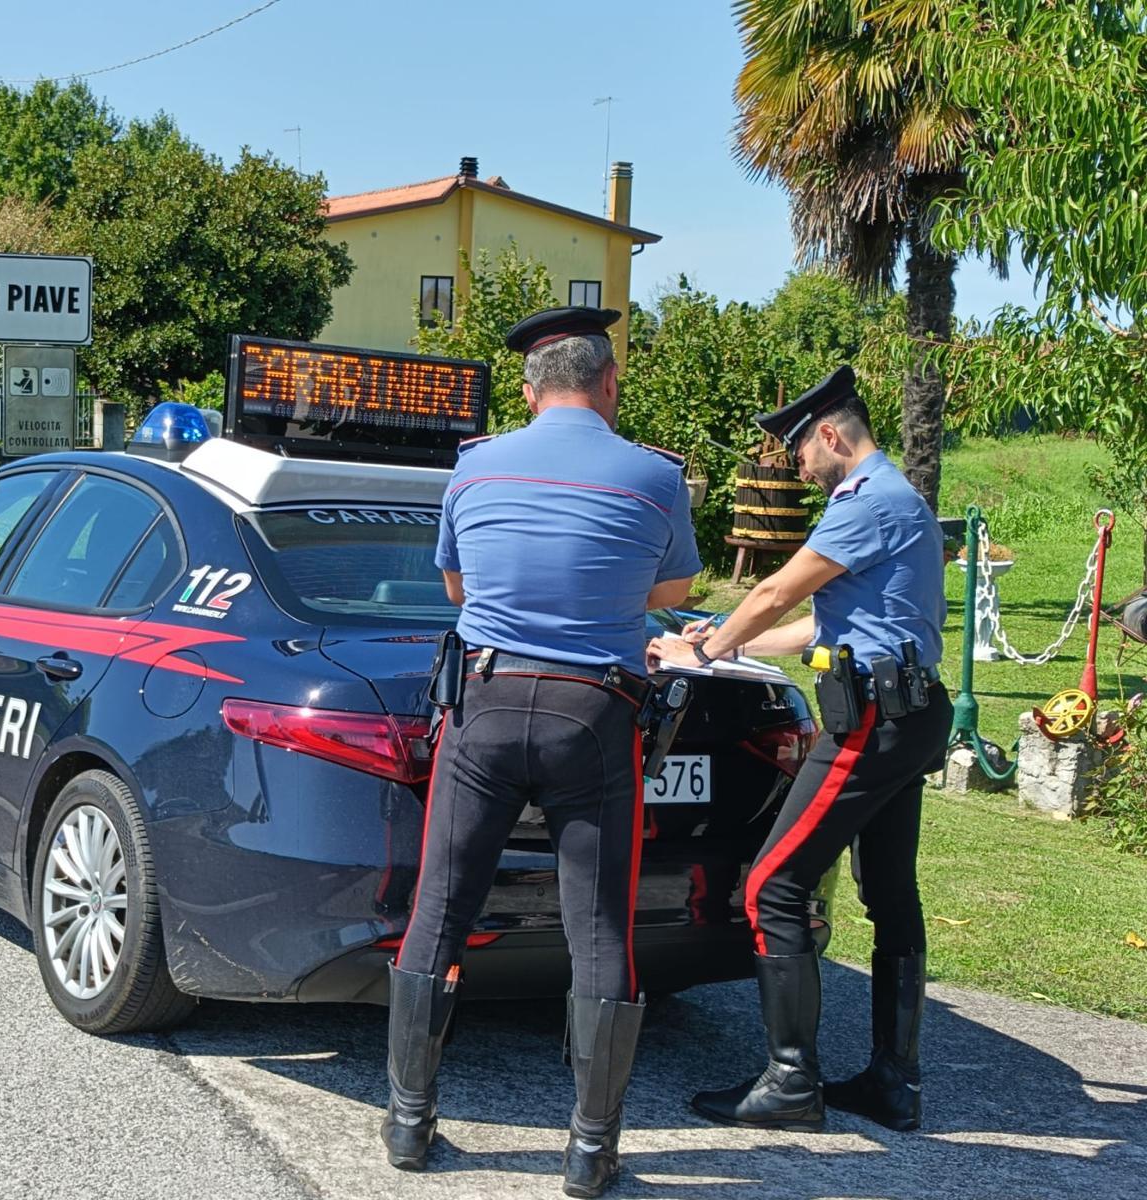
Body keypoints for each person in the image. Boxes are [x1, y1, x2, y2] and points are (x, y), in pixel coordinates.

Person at [381, 306, 701, 1198]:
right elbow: (673, 587)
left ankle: (409, 1124)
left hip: (483, 701)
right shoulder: (652, 475)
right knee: (598, 927)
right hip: (593, 712)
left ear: (529, 393)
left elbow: (455, 582)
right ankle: (590, 1151)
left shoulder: (476, 466)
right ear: (609, 383)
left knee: (439, 908)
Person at [647, 364, 951, 1134]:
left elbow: (774, 593)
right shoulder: (895, 499)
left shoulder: (864, 501)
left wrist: (707, 648)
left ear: (828, 434)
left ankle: (790, 1083)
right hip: (909, 714)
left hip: (873, 724)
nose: (799, 469)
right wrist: (716, 640)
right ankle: (894, 1082)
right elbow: (820, 626)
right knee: (890, 894)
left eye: (800, 455)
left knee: (772, 887)